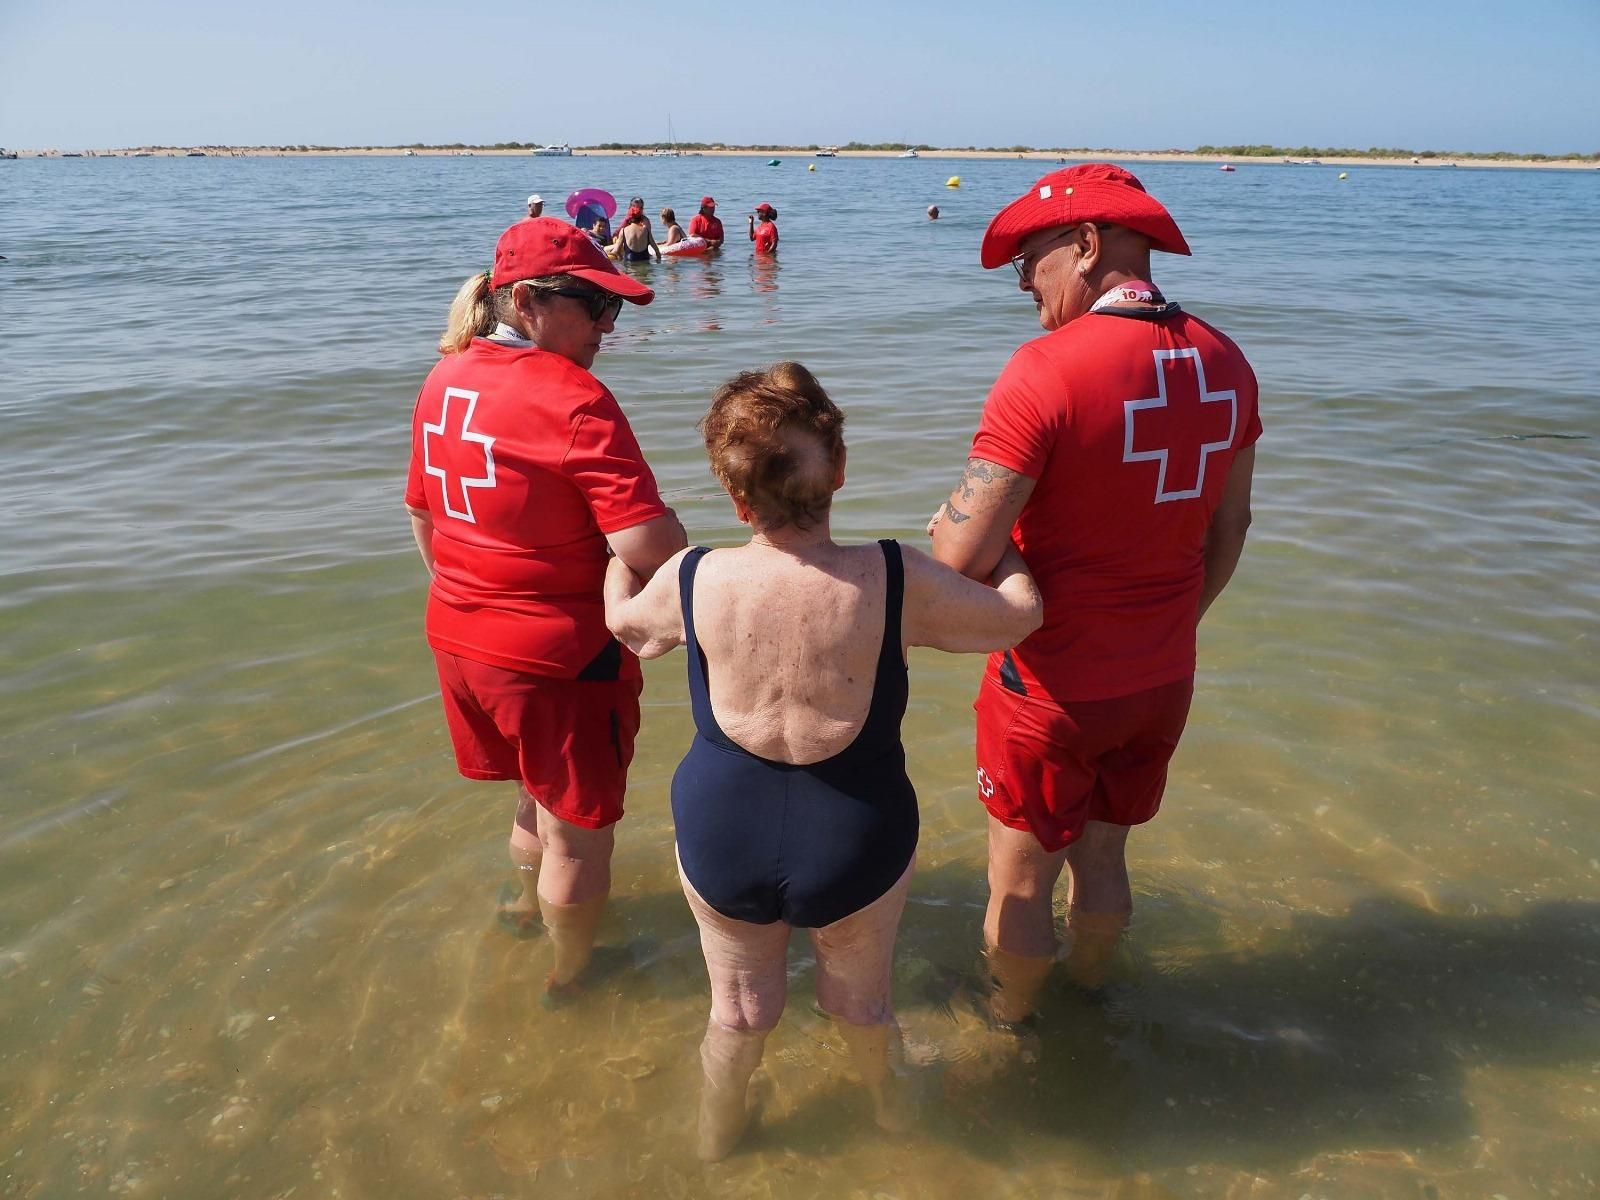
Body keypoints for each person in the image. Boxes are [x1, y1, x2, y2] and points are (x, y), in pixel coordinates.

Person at [606, 362, 1042, 1160]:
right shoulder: (894, 573)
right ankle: (893, 1120)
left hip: (722, 827)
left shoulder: (693, 573)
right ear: (840, 471)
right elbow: (1018, 620)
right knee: (860, 1006)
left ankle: (716, 1140)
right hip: (855, 833)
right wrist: (1008, 548)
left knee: (736, 1012)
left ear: (736, 496)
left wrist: (616, 563)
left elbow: (631, 629)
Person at [929, 163, 1261, 1023]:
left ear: (1082, 247)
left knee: (1021, 877)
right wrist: (1169, 627)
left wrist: (949, 529)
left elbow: (962, 558)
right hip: (1162, 679)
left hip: (1052, 688)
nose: (1024, 289)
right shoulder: (1230, 360)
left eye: (1028, 264)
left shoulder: (1044, 370)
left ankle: (1010, 1022)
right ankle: (1090, 993)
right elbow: (1231, 530)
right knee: (1106, 858)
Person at [404, 217, 688, 999]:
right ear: (527, 301)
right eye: (592, 306)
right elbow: (650, 547)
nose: (606, 326)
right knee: (582, 833)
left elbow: (423, 515)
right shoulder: (574, 397)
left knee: (537, 798)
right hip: (557, 661)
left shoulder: (444, 376)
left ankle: (519, 911)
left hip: (459, 640)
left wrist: (475, 597)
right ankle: (575, 973)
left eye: (614, 310)